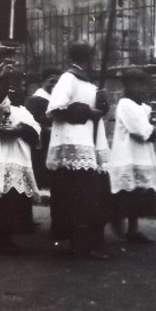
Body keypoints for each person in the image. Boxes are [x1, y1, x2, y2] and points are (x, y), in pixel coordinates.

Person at [46, 40, 111, 258]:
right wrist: (87, 112)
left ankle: (88, 242)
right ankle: (80, 243)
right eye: (93, 57)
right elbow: (57, 108)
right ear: (86, 58)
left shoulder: (89, 82)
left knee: (91, 195)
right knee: (78, 197)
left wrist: (103, 104)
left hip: (90, 144)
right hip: (73, 145)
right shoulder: (68, 78)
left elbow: (98, 111)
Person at [0, 61, 41, 254]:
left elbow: (36, 130)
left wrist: (21, 129)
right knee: (2, 202)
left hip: (20, 160)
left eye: (21, 85)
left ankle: (8, 239)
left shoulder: (23, 111)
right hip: (3, 161)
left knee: (16, 203)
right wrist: (4, 81)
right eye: (15, 85)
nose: (19, 89)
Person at [109, 68, 156, 244]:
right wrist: (151, 131)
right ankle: (116, 220)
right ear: (128, 86)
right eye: (137, 84)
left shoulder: (143, 106)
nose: (141, 89)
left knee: (138, 194)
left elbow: (155, 119)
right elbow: (140, 130)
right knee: (127, 194)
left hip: (141, 156)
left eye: (143, 85)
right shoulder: (125, 104)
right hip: (128, 156)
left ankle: (134, 229)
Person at [25, 67, 60, 189]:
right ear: (42, 82)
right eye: (51, 81)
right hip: (41, 143)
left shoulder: (56, 100)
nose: (54, 85)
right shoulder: (35, 100)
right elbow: (29, 122)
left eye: (57, 82)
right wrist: (46, 129)